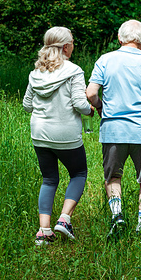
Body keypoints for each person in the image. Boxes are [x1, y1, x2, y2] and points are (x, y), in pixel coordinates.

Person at [86, 20, 141, 239]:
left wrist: (100, 107)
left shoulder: (105, 60)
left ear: (119, 39)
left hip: (113, 130)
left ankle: (118, 217)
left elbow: (90, 94)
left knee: (113, 177)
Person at [23, 26, 95, 246]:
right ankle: (64, 220)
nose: (73, 45)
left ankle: (43, 231)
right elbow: (80, 104)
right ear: (66, 46)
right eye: (72, 41)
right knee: (79, 173)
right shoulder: (74, 71)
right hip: (65, 134)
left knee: (49, 178)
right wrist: (92, 111)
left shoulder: (36, 73)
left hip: (40, 134)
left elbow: (27, 106)